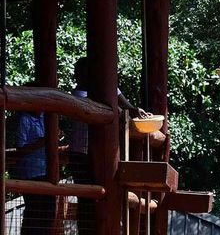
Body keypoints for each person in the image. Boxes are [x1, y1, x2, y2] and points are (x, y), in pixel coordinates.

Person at [69, 57, 151, 232]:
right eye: (80, 75)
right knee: (87, 198)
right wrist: (127, 111)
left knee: (103, 195)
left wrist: (135, 111)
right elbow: (116, 110)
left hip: (99, 153)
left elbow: (125, 105)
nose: (80, 78)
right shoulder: (78, 96)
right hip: (81, 154)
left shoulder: (105, 89)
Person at [15, 81, 56, 234]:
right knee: (34, 212)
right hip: (32, 173)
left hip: (48, 170)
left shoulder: (47, 117)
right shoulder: (24, 120)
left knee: (48, 213)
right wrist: (45, 140)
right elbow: (21, 149)